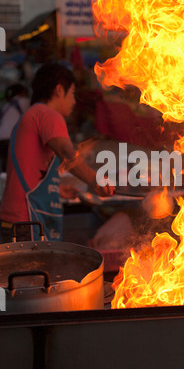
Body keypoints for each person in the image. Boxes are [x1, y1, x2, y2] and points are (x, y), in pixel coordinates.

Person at [0, 63, 114, 243]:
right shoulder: (49, 114)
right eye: (72, 94)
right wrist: (95, 180)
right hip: (26, 222)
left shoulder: (31, 115)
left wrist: (56, 190)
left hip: (14, 222)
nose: (74, 102)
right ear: (59, 90)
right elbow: (67, 153)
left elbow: (29, 169)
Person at [0, 83, 30, 171]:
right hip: (13, 138)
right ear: (23, 92)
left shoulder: (6, 106)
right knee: (16, 167)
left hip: (1, 138)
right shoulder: (25, 101)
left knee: (5, 166)